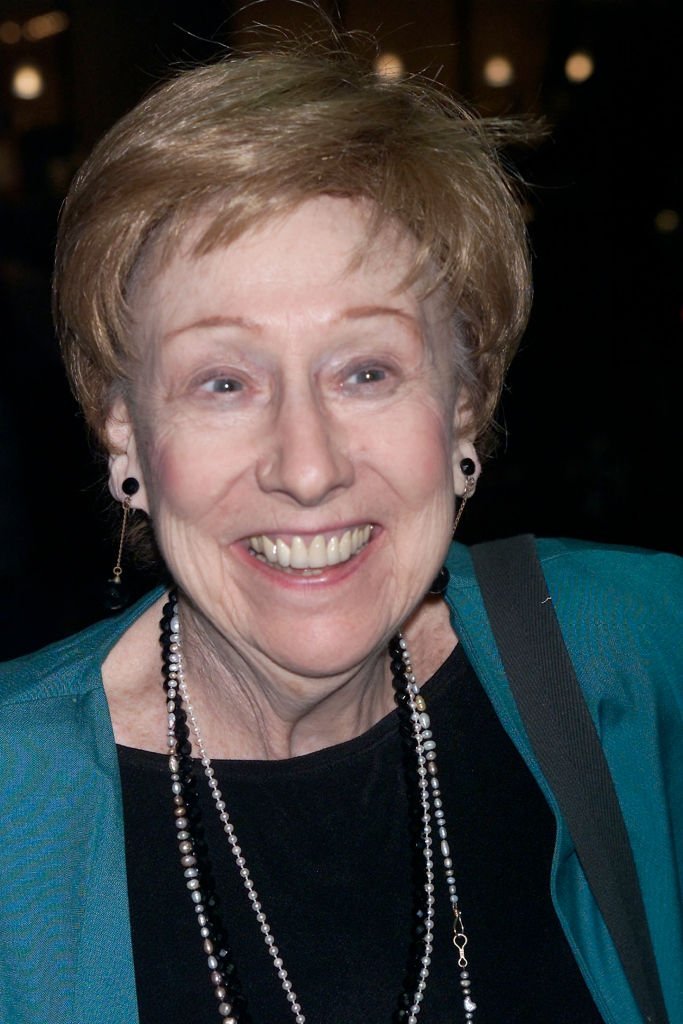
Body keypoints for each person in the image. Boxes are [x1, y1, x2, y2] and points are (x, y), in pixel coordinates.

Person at [0, 43, 681, 1024]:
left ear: (461, 404)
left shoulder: (632, 657)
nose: (306, 465)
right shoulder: (18, 804)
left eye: (364, 370)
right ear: (124, 432)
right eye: (222, 381)